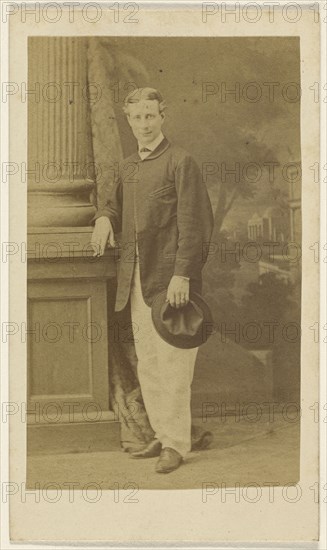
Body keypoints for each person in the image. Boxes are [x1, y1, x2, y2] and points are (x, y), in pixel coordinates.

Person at [91, 87, 213, 473]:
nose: (143, 124)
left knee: (175, 367)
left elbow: (196, 226)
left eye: (150, 116)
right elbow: (113, 203)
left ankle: (177, 445)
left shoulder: (181, 162)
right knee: (150, 367)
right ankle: (163, 434)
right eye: (136, 117)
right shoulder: (128, 167)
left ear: (163, 117)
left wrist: (183, 275)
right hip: (136, 283)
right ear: (128, 122)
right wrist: (103, 219)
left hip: (171, 283)